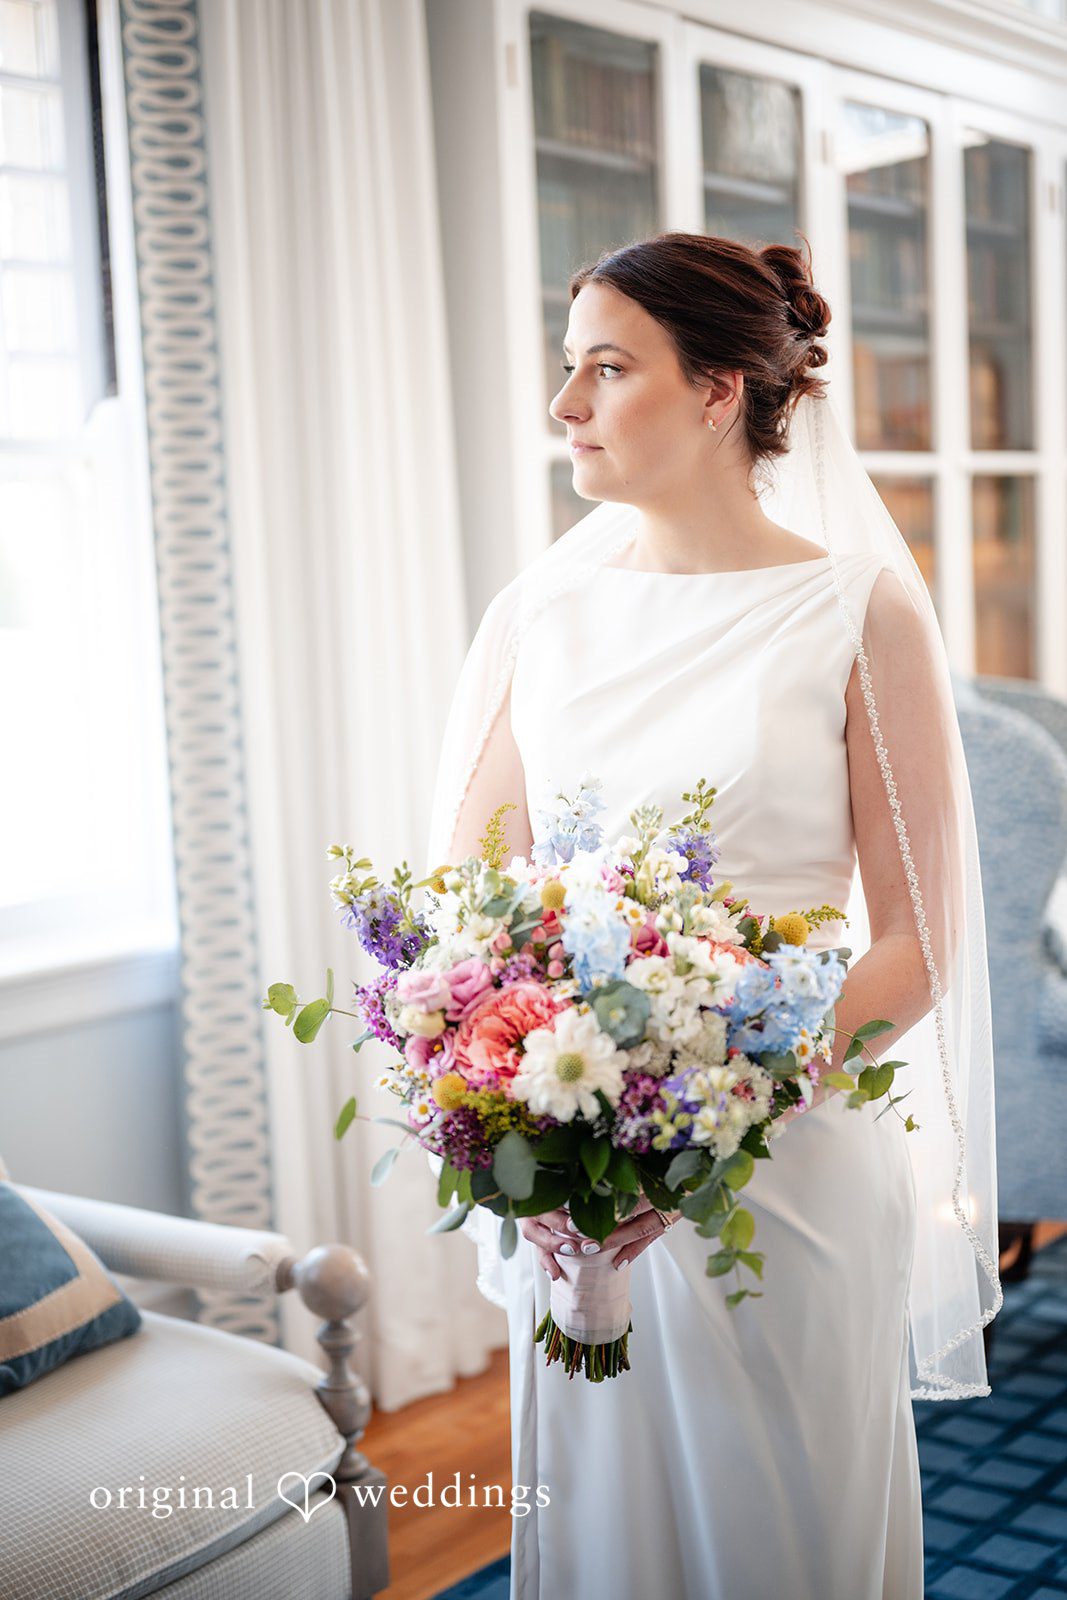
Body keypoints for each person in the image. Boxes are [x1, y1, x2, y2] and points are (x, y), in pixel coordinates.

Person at [427, 232, 1001, 1599]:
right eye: (569, 368)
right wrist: (541, 1120)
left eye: (608, 368)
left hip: (783, 1178)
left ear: (718, 391)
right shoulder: (540, 617)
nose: (566, 405)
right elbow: (472, 910)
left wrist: (702, 1125)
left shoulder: (858, 613)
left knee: (782, 1537)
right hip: (575, 1191)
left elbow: (918, 945)